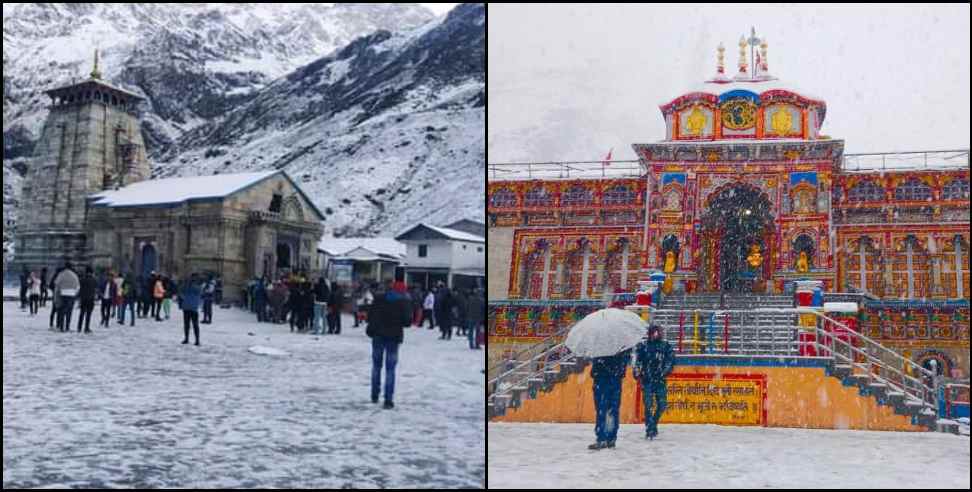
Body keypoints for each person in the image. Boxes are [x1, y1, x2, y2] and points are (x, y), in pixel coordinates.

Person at [367, 280, 412, 409]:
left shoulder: (379, 299)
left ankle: (374, 394)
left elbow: (369, 317)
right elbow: (407, 322)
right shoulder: (403, 302)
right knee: (390, 369)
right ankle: (388, 399)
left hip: (378, 336)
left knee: (376, 366)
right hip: (394, 337)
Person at [634, 324, 675, 440]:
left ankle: (653, 424)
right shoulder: (643, 346)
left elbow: (671, 360)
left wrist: (665, 371)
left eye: (658, 332)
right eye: (654, 332)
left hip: (660, 380)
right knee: (648, 405)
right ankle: (650, 429)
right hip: (647, 380)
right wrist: (637, 372)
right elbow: (637, 361)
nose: (656, 335)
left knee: (662, 405)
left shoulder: (665, 346)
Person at [588, 348, 631, 450]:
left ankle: (602, 438)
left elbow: (596, 369)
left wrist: (597, 368)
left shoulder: (600, 348)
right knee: (613, 410)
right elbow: (624, 364)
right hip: (615, 381)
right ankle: (611, 438)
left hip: (602, 381)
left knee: (602, 410)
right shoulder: (622, 347)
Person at [53, 262, 80, 333]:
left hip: (63, 293)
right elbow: (78, 286)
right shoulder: (74, 275)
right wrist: (75, 293)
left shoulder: (61, 274)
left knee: (62, 311)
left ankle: (61, 327)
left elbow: (57, 284)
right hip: (71, 294)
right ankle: (67, 327)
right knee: (69, 312)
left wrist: (56, 295)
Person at [178, 274, 203, 345]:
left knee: (187, 324)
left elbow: (180, 292)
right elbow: (200, 293)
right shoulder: (198, 287)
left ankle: (186, 339)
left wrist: (184, 298)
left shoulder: (186, 286)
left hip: (186, 307)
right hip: (193, 308)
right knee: (195, 324)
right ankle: (197, 340)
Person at [77, 266, 97, 333]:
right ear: (91, 272)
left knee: (81, 314)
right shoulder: (94, 280)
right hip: (91, 299)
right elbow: (95, 289)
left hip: (83, 299)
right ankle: (86, 328)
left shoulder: (82, 279)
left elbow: (80, 289)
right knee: (88, 315)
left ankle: (79, 327)